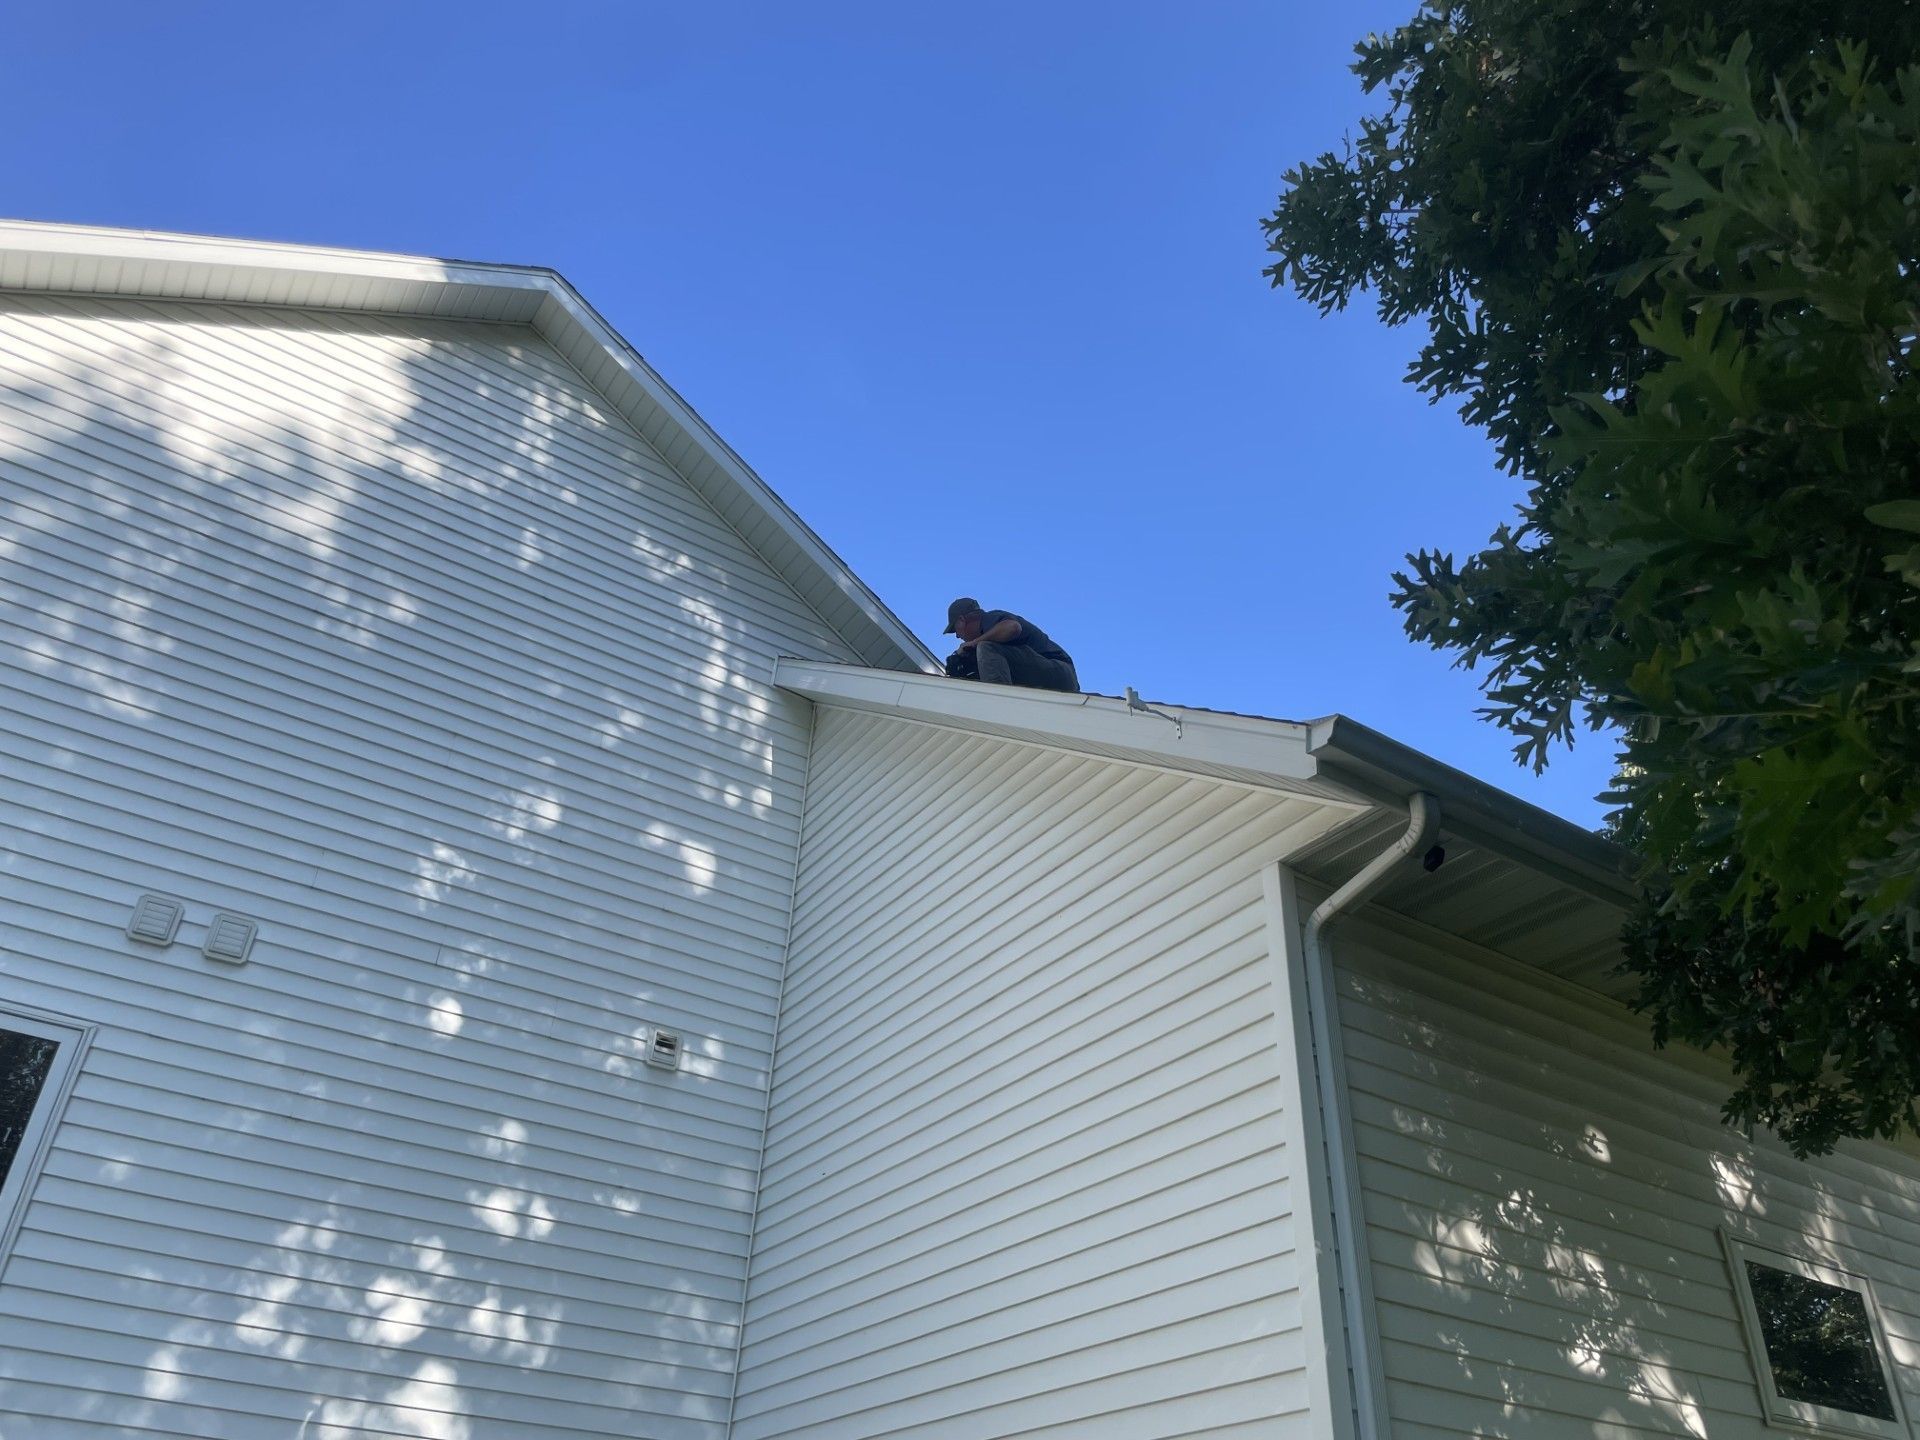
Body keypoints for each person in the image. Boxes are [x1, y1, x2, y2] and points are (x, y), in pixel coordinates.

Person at [942, 597, 1079, 693]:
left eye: (956, 629)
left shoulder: (990, 619)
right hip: (1051, 677)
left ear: (961, 620)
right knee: (978, 662)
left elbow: (1013, 627)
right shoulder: (993, 647)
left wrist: (972, 644)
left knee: (985, 648)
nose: (957, 636)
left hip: (1060, 671)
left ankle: (999, 704)